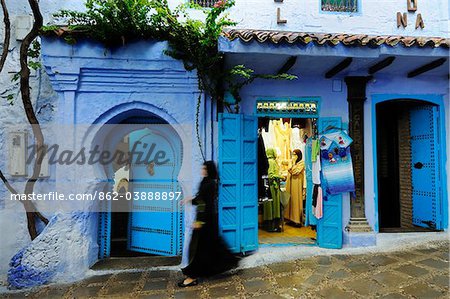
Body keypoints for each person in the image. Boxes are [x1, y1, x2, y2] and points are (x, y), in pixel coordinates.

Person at [178, 161, 240, 287]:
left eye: (205, 168)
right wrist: (189, 199)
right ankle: (231, 262)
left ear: (209, 170)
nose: (202, 170)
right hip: (204, 221)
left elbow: (206, 205)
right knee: (211, 247)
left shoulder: (210, 184)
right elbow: (200, 199)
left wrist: (200, 222)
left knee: (198, 249)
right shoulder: (205, 181)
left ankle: (192, 276)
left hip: (206, 222)